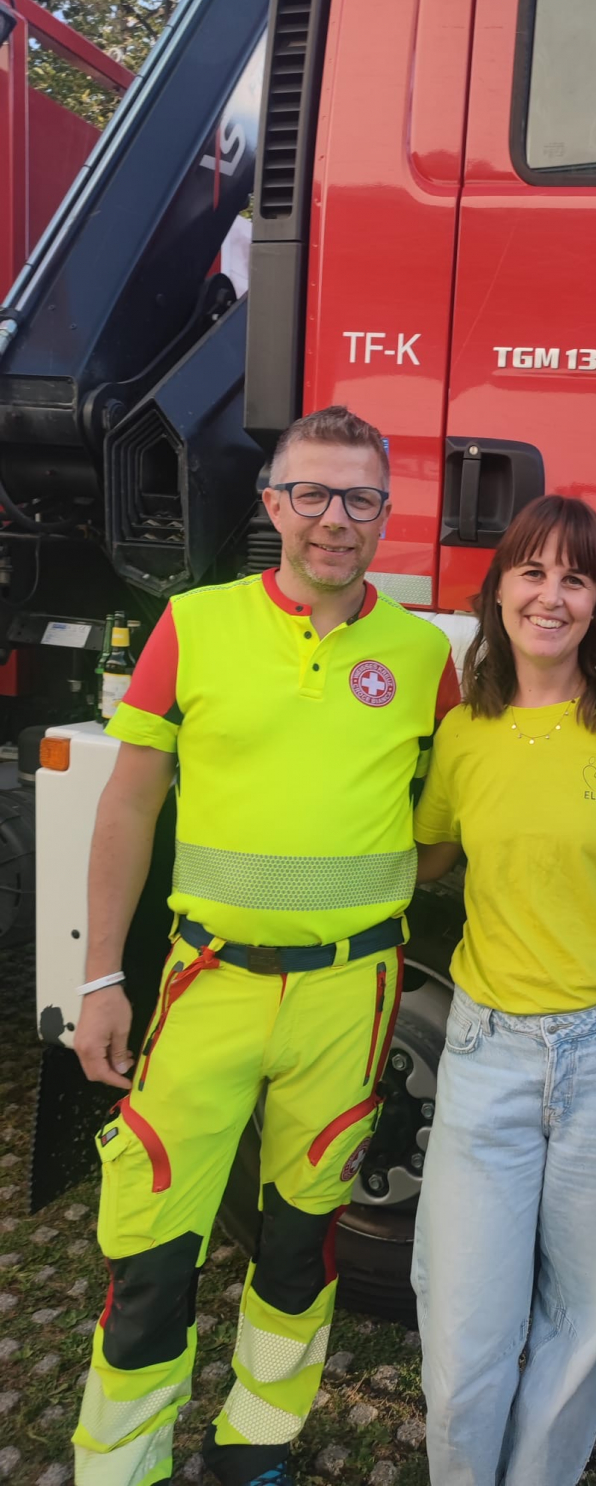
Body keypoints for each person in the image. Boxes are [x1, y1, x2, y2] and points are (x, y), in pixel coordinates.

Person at [70, 406, 458, 1486]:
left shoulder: (424, 654)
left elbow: (437, 827)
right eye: (312, 493)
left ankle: (255, 1445)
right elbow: (128, 804)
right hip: (209, 981)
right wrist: (102, 976)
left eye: (360, 497)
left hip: (351, 992)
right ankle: (121, 1466)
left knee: (299, 1243)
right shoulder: (193, 625)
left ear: (386, 512)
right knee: (151, 1241)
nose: (336, 518)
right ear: (271, 504)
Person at [410, 494, 596, 1486]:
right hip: (486, 1048)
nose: (551, 595)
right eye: (532, 572)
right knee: (464, 1327)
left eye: (575, 578)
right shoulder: (464, 734)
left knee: (583, 1318)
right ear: (496, 593)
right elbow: (426, 861)